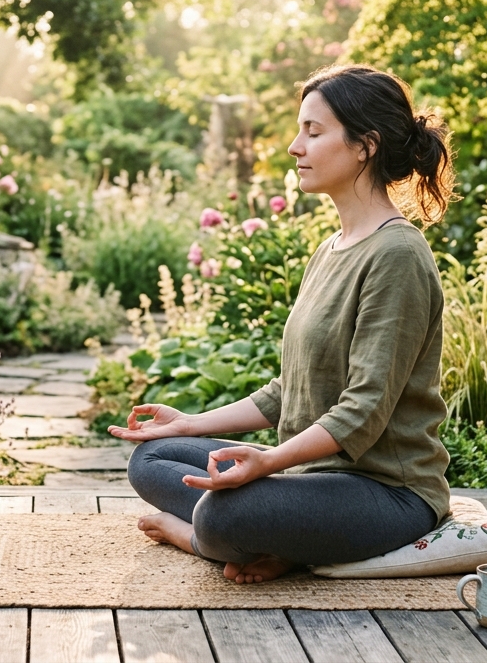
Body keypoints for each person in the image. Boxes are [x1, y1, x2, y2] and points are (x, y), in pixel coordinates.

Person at [110, 64, 457, 584]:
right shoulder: (331, 249)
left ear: (365, 145)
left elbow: (363, 412)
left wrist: (268, 462)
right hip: (308, 476)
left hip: (385, 492)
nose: (295, 147)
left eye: (313, 132)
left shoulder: (398, 255)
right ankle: (276, 541)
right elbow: (286, 390)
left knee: (224, 512)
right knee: (153, 458)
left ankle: (202, 537)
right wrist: (189, 423)